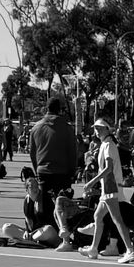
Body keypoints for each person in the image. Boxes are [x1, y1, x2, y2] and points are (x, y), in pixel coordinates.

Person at [80, 116, 134, 264]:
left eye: (100, 128)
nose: (97, 130)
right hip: (107, 188)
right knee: (98, 216)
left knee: (117, 219)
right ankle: (94, 248)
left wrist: (91, 183)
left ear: (107, 129)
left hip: (110, 187)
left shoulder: (109, 145)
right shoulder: (105, 144)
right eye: (96, 128)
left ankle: (130, 250)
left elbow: (109, 168)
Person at [28, 97, 81, 247]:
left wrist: (37, 170)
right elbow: (72, 151)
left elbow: (32, 153)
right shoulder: (66, 127)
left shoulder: (36, 127)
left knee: (45, 206)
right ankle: (64, 236)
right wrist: (72, 171)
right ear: (60, 109)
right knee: (63, 207)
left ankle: (47, 234)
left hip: (43, 171)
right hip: (62, 172)